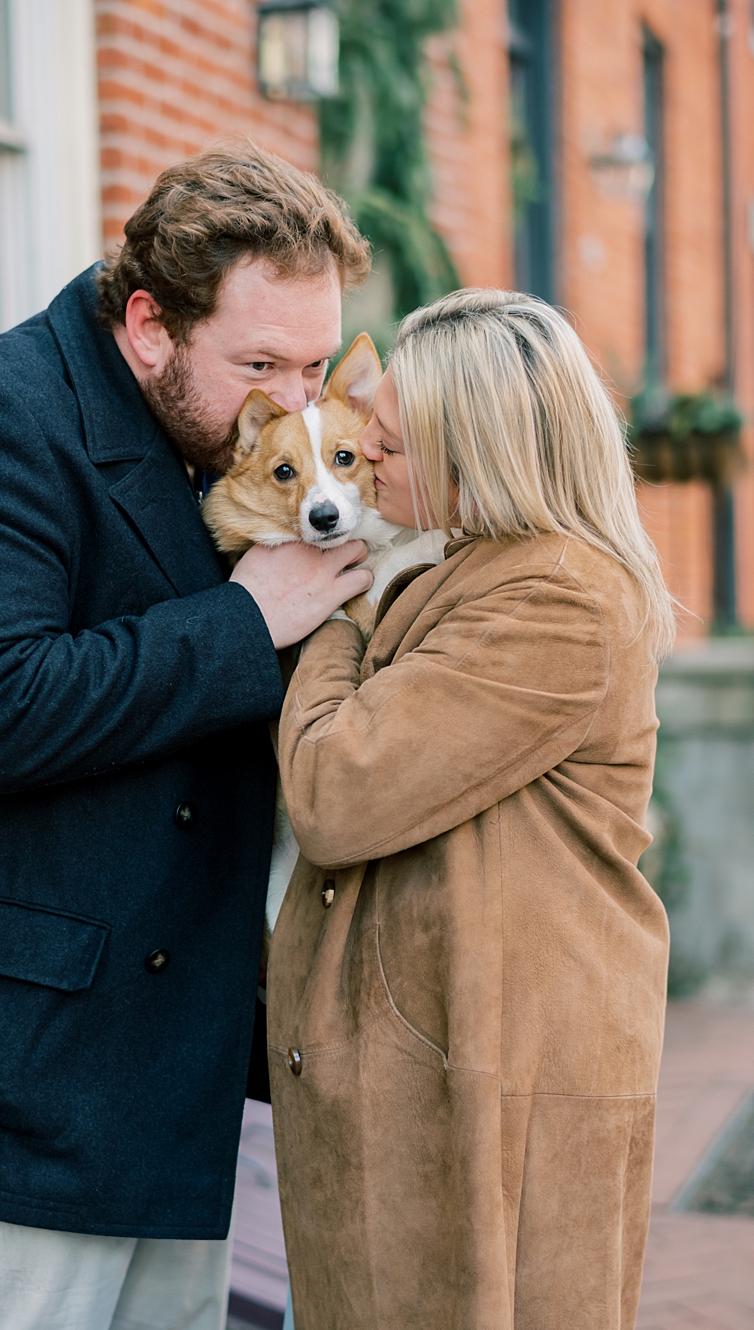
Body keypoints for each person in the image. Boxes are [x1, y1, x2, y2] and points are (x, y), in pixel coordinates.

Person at [0, 141, 375, 1330]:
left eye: (314, 365)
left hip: (166, 1076)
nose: (294, 401)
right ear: (150, 324)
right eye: (259, 362)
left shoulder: (232, 446)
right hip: (1, 1070)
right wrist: (243, 621)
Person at [268, 289, 674, 1329]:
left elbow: (332, 789)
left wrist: (319, 605)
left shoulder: (555, 599)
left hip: (502, 1065)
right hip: (448, 1052)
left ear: (475, 452)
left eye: (393, 443)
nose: (368, 456)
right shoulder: (472, 568)